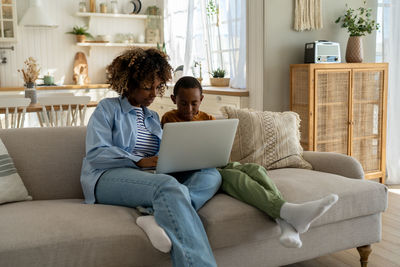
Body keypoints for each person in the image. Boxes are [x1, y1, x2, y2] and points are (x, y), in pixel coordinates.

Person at [80, 48, 221, 267]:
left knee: (211, 174)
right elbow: (96, 154)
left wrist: (180, 158)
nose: (154, 94)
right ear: (128, 84)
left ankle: (156, 215)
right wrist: (136, 160)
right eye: (147, 88)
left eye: (157, 87)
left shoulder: (153, 117)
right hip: (106, 177)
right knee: (166, 185)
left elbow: (163, 153)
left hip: (149, 177)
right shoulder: (107, 109)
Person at [162, 76, 339, 248]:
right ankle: (286, 217)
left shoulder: (208, 118)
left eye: (194, 103)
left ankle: (285, 222)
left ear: (201, 99)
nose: (189, 109)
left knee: (256, 170)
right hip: (196, 170)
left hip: (216, 163)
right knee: (239, 179)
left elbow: (218, 148)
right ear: (173, 99)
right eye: (183, 103)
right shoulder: (169, 119)